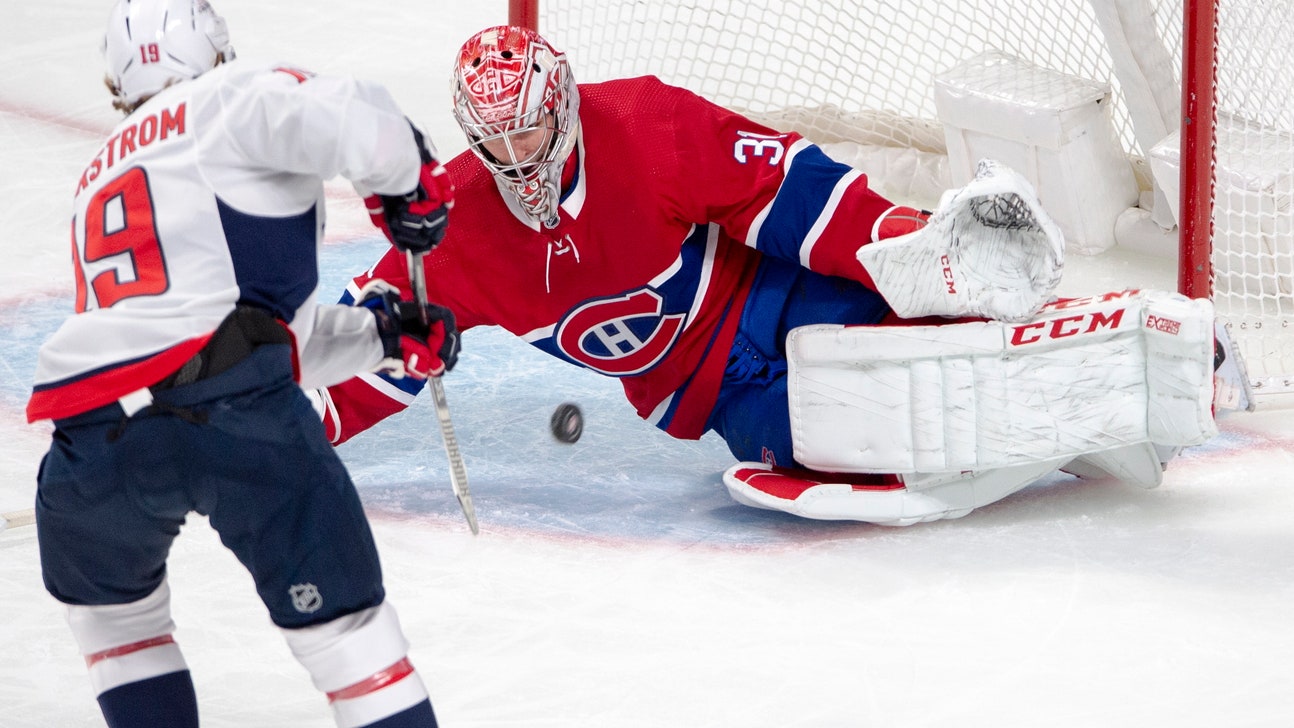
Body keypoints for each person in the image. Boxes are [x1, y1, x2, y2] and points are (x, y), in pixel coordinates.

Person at [316, 25, 1238, 527]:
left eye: (530, 130)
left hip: (774, 292)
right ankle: (1038, 419)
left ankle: (1124, 355)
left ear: (561, 105)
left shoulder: (643, 125)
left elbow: (784, 187)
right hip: (712, 388)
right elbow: (364, 351)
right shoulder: (449, 226)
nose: (517, 157)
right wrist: (255, 421)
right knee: (832, 425)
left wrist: (898, 242)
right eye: (496, 140)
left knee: (909, 336)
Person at [26, 1, 458, 726]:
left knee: (121, 634)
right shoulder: (233, 94)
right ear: (217, 52)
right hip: (233, 414)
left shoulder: (99, 175)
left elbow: (219, 333)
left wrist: (382, 338)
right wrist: (410, 179)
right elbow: (352, 113)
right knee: (352, 643)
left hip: (91, 443)